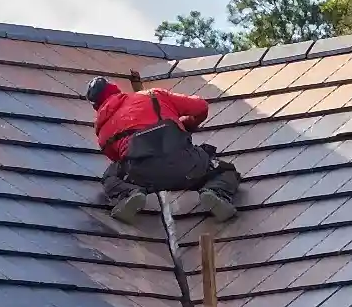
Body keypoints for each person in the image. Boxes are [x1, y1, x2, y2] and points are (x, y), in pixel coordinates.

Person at [85, 77, 240, 223]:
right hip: (187, 166)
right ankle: (216, 192)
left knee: (110, 176)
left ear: (95, 106)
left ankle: (129, 194)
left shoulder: (103, 134)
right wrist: (186, 125)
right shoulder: (153, 95)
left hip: (145, 178)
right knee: (225, 170)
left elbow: (120, 159)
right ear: (116, 89)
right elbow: (201, 107)